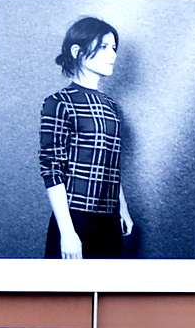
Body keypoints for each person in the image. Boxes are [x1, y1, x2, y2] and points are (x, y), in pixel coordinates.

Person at [40, 16, 135, 260]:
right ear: (77, 51)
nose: (112, 54)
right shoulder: (58, 103)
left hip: (110, 220)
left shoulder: (111, 106)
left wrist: (121, 207)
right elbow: (52, 170)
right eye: (103, 47)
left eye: (114, 47)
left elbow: (110, 164)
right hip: (76, 219)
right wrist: (68, 232)